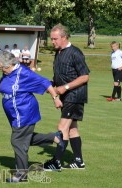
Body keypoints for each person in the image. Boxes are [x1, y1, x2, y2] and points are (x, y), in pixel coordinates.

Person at [0, 51, 64, 182]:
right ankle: (53, 137)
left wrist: (55, 98)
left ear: (9, 64)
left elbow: (45, 82)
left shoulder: (24, 73)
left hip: (24, 111)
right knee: (23, 138)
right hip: (14, 112)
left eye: (2, 68)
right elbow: (3, 80)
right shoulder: (7, 72)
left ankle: (21, 175)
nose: (1, 71)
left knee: (17, 141)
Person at [43, 23, 90, 171]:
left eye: (55, 39)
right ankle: (78, 161)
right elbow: (61, 76)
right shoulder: (58, 52)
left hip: (75, 96)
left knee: (61, 127)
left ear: (64, 37)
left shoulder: (75, 52)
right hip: (66, 96)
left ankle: (56, 162)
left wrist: (65, 87)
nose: (52, 42)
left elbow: (85, 77)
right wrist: (52, 86)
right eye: (51, 39)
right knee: (72, 129)